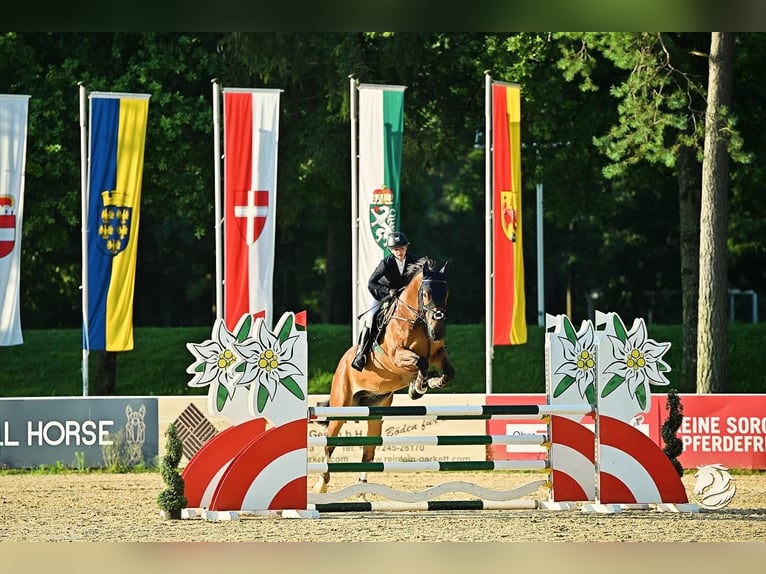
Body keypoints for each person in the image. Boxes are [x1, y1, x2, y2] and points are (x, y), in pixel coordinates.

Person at [351, 231, 419, 371]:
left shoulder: (414, 260)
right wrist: (387, 291)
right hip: (383, 294)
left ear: (406, 247)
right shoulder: (386, 263)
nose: (399, 251)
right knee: (371, 319)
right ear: (390, 250)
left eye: (401, 248)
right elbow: (372, 283)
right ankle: (361, 354)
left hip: (404, 295)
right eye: (395, 249)